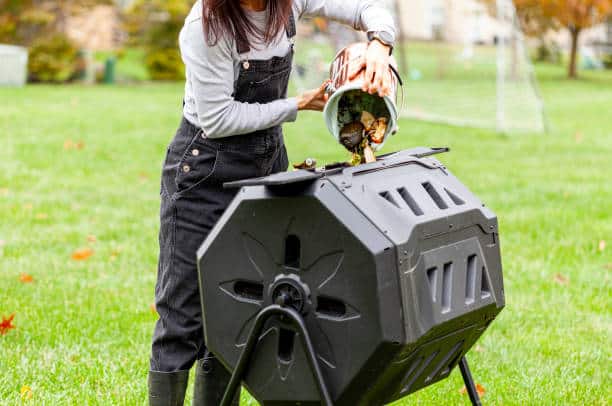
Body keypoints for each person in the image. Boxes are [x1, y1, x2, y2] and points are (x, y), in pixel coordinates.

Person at [148, 0, 396, 404]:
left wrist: (379, 46)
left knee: (235, 311)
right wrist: (297, 103)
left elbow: (369, 7)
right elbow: (218, 119)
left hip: (265, 169)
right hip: (204, 175)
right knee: (183, 317)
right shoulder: (204, 26)